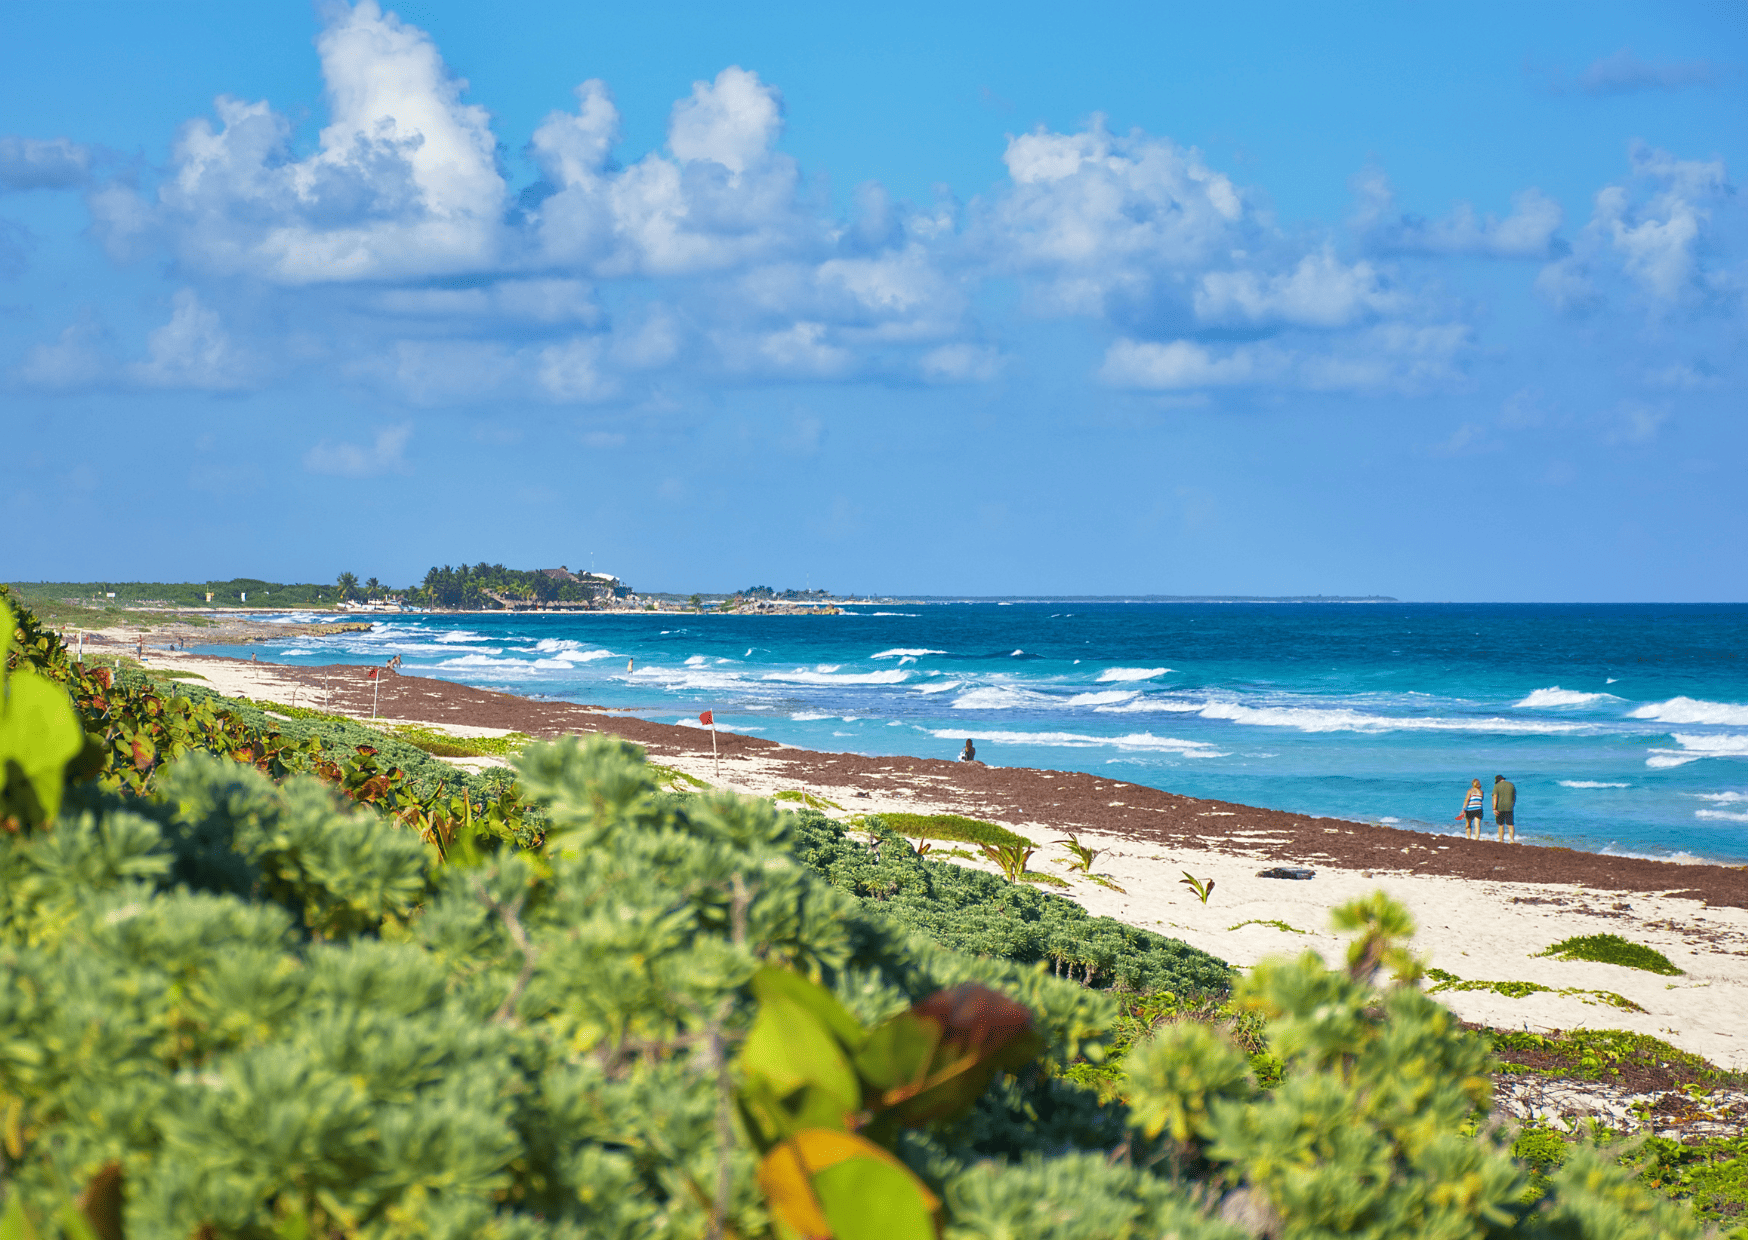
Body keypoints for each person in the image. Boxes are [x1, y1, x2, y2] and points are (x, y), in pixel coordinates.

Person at [1493, 774, 1517, 843]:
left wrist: (1494, 808)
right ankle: (1512, 839)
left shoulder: (1497, 786)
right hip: (1509, 807)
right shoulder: (1511, 785)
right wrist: (1512, 805)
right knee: (1510, 824)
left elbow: (1495, 797)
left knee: (1501, 824)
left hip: (1500, 807)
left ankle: (1501, 839)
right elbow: (1514, 796)